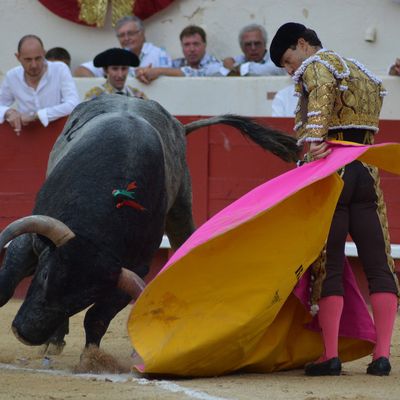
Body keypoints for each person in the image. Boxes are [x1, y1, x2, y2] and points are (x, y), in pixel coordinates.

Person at [270, 22, 399, 376]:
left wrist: (313, 143)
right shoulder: (361, 70)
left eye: (288, 59)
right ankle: (383, 354)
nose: (290, 69)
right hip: (366, 169)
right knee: (379, 264)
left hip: (333, 172)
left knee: (330, 266)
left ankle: (330, 354)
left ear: (303, 44)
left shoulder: (317, 66)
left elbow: (321, 90)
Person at [0, 34, 79, 134]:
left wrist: (36, 116)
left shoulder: (59, 69)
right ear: (18, 57)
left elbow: (73, 104)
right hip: (27, 136)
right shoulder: (12, 76)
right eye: (28, 59)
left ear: (44, 54)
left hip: (58, 136)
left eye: (38, 58)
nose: (34, 65)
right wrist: (8, 112)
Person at [74, 15, 172, 78]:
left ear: (142, 33)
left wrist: (156, 72)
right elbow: (80, 70)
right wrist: (102, 86)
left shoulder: (158, 53)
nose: (126, 38)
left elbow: (175, 77)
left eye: (130, 33)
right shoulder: (117, 56)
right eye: (121, 35)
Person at [135, 25, 226, 84]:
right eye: (187, 45)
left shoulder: (215, 64)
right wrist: (144, 73)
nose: (191, 49)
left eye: (196, 44)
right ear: (181, 46)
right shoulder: (176, 64)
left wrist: (159, 71)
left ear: (204, 45)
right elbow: (157, 71)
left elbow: (197, 74)